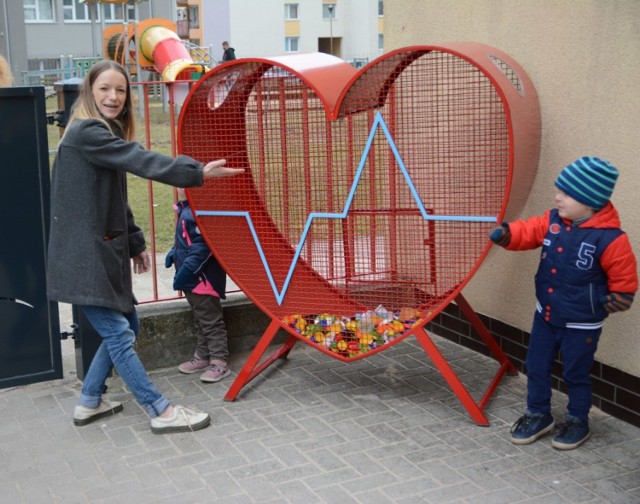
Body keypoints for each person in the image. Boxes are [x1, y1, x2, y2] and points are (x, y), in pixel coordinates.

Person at [46, 60, 244, 434]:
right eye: (104, 88)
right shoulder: (88, 133)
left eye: (120, 90)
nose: (113, 96)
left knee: (129, 324)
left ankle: (89, 401)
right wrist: (197, 172)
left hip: (93, 255)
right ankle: (160, 409)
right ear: (90, 91)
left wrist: (136, 243)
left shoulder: (102, 135)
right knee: (120, 334)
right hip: (82, 259)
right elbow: (142, 161)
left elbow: (115, 198)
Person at [489, 156, 637, 450]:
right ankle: (538, 414)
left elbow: (624, 282)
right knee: (536, 365)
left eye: (567, 193)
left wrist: (604, 303)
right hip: (545, 314)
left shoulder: (610, 239)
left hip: (582, 323)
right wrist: (508, 234)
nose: (558, 197)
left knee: (575, 372)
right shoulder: (553, 221)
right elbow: (529, 230)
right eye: (560, 190)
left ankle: (578, 419)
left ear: (589, 200)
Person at [166, 188, 231, 383]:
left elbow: (203, 248)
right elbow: (185, 242)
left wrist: (186, 272)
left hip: (202, 279)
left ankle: (220, 362)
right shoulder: (187, 208)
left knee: (211, 321)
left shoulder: (201, 213)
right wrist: (173, 252)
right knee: (200, 319)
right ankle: (203, 356)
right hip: (190, 278)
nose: (178, 187)